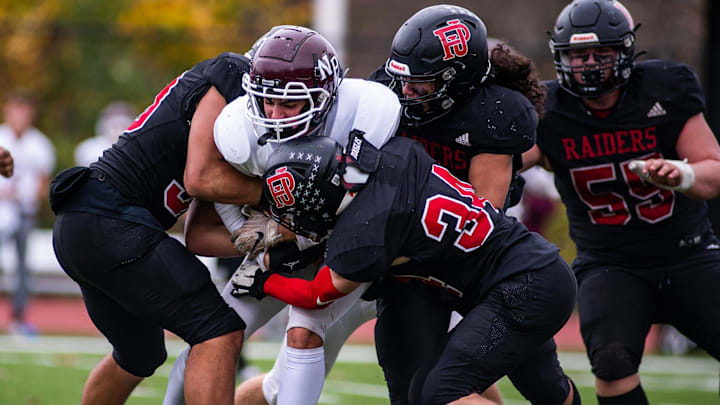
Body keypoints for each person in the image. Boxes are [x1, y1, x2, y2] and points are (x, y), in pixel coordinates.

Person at [233, 134, 580, 405]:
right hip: (534, 268)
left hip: (522, 288)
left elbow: (315, 295)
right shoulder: (394, 154)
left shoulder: (364, 236)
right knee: (547, 389)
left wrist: (265, 280)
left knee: (441, 392)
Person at [161, 25, 401, 405]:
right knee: (213, 332)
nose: (275, 115)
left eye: (289, 103)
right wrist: (250, 234)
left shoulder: (365, 111)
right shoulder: (240, 128)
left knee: (306, 331)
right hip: (289, 247)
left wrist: (304, 232)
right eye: (266, 102)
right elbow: (220, 190)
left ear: (326, 95)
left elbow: (371, 198)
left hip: (354, 249)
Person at [522, 0, 720, 404]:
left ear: (626, 53)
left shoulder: (664, 88)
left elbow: (713, 170)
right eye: (579, 55)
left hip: (688, 253)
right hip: (610, 262)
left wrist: (681, 173)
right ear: (562, 58)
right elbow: (500, 164)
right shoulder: (548, 111)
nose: (590, 64)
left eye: (602, 53)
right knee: (611, 361)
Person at [50, 51, 263, 405]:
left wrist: (273, 239)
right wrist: (272, 191)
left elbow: (199, 236)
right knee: (218, 331)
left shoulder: (233, 138)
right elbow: (199, 178)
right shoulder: (231, 76)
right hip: (110, 219)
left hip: (84, 227)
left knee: (140, 354)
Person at [367, 5, 551, 403]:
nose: (407, 92)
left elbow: (477, 221)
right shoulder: (386, 94)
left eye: (422, 83)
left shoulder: (494, 113)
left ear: (457, 80)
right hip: (412, 268)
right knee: (415, 387)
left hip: (480, 264)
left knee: (542, 384)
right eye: (404, 79)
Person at [0, 92, 55, 336]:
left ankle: (18, 318)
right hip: (1, 210)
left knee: (22, 267)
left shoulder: (40, 144)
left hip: (23, 212)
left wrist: (28, 197)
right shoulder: (2, 136)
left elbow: (44, 184)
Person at [74, 101, 137, 166]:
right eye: (115, 126)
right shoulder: (88, 148)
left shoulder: (136, 149)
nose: (118, 130)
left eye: (122, 125)